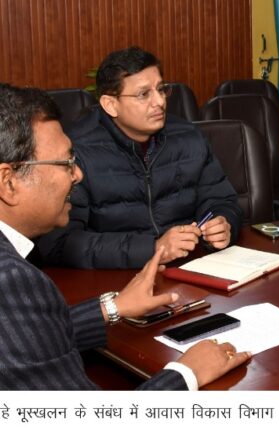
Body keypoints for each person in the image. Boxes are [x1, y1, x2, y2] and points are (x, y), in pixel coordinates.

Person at [0, 83, 250, 390]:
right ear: (8, 182)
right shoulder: (12, 280)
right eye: (65, 163)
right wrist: (187, 373)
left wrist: (112, 308)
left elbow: (27, 337)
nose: (78, 174)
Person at [36, 47, 243, 269]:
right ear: (110, 104)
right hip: (113, 279)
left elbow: (221, 200)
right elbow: (62, 242)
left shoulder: (188, 136)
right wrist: (151, 249)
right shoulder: (76, 152)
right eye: (144, 94)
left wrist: (223, 222)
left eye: (161, 89)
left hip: (189, 268)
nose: (159, 101)